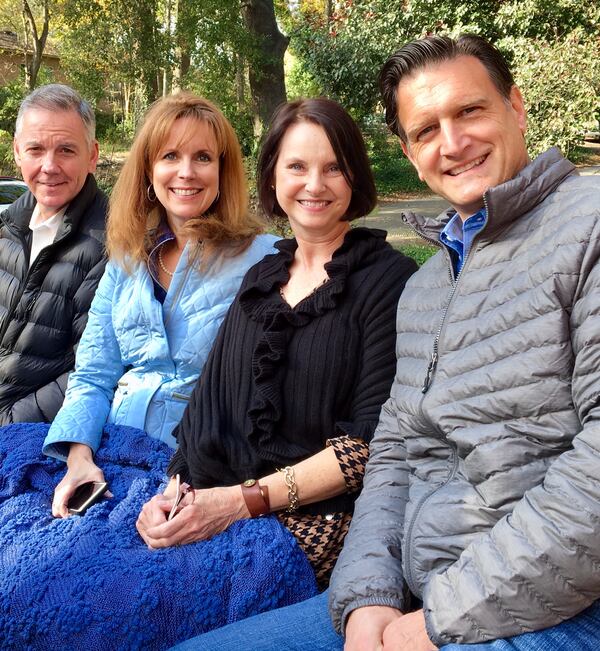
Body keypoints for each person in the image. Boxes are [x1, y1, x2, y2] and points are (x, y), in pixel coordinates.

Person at [170, 34, 600, 651]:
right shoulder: (430, 285)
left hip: (554, 599)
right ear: (408, 150)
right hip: (417, 590)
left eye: (470, 111)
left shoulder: (587, 224)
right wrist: (367, 595)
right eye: (426, 130)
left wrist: (434, 621)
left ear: (517, 105)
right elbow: (398, 452)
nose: (452, 143)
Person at [136, 97, 418, 587]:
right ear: (272, 178)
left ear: (356, 177)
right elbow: (206, 408)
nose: (314, 184)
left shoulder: (389, 282)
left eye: (334, 167)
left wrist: (240, 502)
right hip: (218, 504)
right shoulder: (261, 278)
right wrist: (174, 496)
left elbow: (370, 447)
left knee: (130, 605)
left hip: (316, 527)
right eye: (297, 166)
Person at [41, 92, 277, 518]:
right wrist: (79, 459)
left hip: (203, 470)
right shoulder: (127, 258)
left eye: (203, 157)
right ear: (149, 170)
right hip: (110, 454)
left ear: (223, 171)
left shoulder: (265, 258)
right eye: (170, 155)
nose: (186, 172)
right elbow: (94, 374)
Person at [0, 83, 107, 424]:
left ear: (92, 156)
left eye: (66, 150)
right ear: (18, 152)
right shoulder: (6, 230)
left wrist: (9, 420)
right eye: (35, 149)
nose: (49, 166)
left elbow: (91, 370)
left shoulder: (113, 245)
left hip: (27, 435)